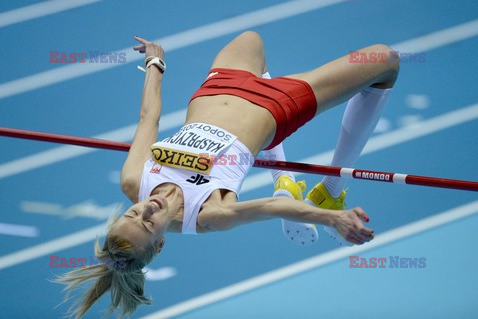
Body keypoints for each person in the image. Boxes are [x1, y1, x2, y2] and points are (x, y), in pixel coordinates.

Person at [56, 31, 399, 318]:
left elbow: (149, 119)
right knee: (385, 61)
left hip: (217, 88)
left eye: (133, 211)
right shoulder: (208, 215)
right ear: (160, 244)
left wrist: (155, 64)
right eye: (148, 222)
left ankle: (283, 180)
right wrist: (331, 217)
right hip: (277, 105)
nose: (148, 207)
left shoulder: (134, 180)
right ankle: (333, 187)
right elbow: (271, 209)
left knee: (251, 40)